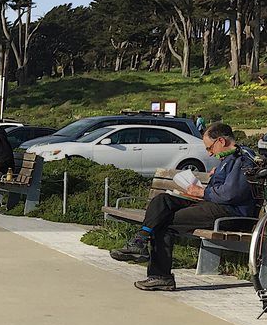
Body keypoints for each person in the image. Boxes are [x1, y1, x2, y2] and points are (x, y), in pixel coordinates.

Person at [110, 121, 257, 291]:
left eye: (210, 148)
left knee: (165, 222)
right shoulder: (229, 159)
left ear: (221, 142)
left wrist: (201, 192)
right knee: (163, 200)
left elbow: (231, 194)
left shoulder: (243, 158)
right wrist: (211, 181)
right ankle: (141, 238)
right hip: (214, 204)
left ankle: (161, 276)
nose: (209, 154)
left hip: (230, 213)